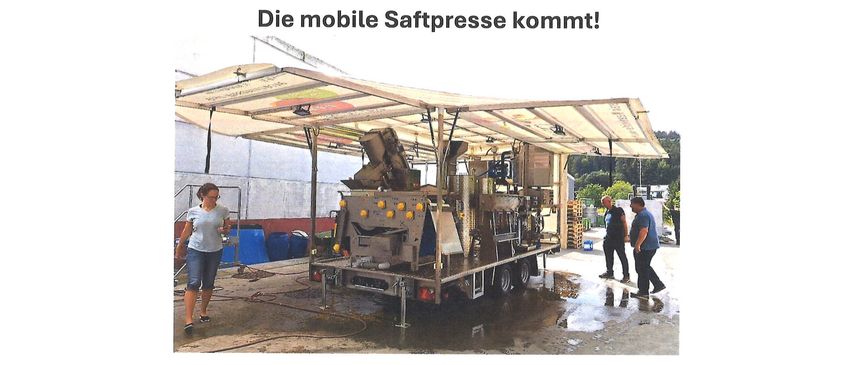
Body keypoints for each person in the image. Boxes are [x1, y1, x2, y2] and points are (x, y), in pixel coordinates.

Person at [175, 183, 231, 335]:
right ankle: (188, 319)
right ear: (203, 196)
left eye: (216, 197)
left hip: (214, 250)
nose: (214, 200)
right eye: (211, 197)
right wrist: (180, 245)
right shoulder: (193, 211)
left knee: (208, 282)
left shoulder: (223, 210)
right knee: (193, 282)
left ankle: (204, 311)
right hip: (196, 249)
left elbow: (227, 228)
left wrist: (225, 230)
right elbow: (187, 230)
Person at [628, 197, 666, 299]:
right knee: (644, 267)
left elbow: (644, 231)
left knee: (642, 269)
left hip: (646, 247)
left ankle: (643, 291)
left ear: (638, 204)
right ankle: (658, 284)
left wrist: (637, 245)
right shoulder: (643, 214)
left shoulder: (643, 215)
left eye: (632, 204)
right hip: (648, 246)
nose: (630, 206)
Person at [598, 196, 630, 283]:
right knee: (608, 256)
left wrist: (626, 235)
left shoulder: (618, 210)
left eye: (604, 202)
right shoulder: (607, 212)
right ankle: (609, 272)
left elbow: (624, 223)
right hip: (608, 238)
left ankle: (626, 276)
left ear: (609, 201)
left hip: (618, 238)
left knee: (622, 256)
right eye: (602, 202)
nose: (603, 204)